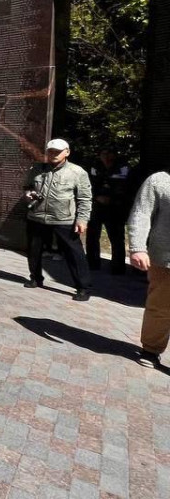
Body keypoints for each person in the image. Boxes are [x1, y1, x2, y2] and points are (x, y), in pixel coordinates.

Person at [23, 139, 93, 300]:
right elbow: (27, 187)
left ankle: (83, 287)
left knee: (74, 254)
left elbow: (85, 198)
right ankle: (35, 278)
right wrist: (28, 194)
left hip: (64, 219)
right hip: (37, 217)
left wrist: (82, 219)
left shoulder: (77, 172)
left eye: (58, 151)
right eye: (51, 151)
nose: (53, 154)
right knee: (33, 251)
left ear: (67, 152)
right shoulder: (37, 169)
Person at [128, 169, 170, 369]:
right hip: (165, 260)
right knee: (161, 308)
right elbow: (141, 214)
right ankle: (151, 349)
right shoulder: (160, 181)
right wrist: (137, 247)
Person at [86, 149, 132, 276]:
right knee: (92, 235)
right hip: (96, 205)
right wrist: (97, 196)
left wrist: (112, 198)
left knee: (117, 237)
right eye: (103, 153)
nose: (106, 156)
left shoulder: (123, 167)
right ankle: (92, 263)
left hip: (115, 207)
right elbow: (89, 184)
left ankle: (118, 267)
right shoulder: (94, 166)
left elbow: (127, 186)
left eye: (109, 153)